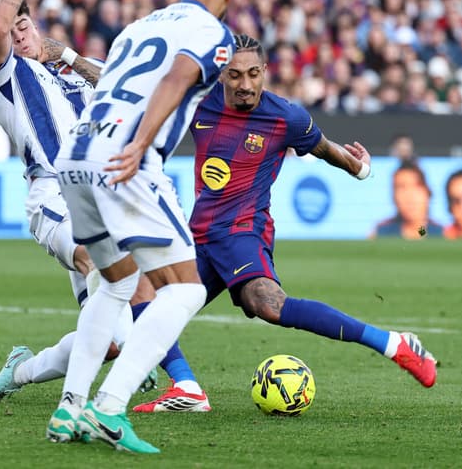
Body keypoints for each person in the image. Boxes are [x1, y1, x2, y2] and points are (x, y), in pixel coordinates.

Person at [0, 0, 202, 409]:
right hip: (53, 193)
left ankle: (18, 372)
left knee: (111, 337)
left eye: (25, 26)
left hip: (101, 188)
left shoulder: (70, 70)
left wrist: (71, 57)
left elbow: (124, 88)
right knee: (110, 265)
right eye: (11, 31)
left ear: (36, 25)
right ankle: (180, 382)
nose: (19, 36)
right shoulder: (3, 75)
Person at [134, 35, 437, 412]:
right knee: (140, 298)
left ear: (265, 71)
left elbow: (323, 148)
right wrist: (71, 60)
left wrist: (358, 168)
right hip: (198, 236)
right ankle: (186, 387)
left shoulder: (285, 117)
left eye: (253, 74)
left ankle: (395, 344)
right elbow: (130, 89)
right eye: (235, 75)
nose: (245, 84)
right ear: (221, 74)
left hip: (243, 231)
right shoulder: (197, 101)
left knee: (267, 303)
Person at [47, 0, 240, 453]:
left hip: (76, 154)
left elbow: (110, 84)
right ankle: (108, 408)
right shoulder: (213, 32)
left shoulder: (136, 28)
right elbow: (178, 77)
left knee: (115, 282)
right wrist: (139, 143)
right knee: (186, 290)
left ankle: (69, 407)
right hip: (125, 159)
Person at [373, 162, 443, 239]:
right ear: (394, 196)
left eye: (416, 186)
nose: (409, 196)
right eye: (401, 187)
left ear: (427, 192)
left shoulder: (442, 233)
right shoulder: (382, 233)